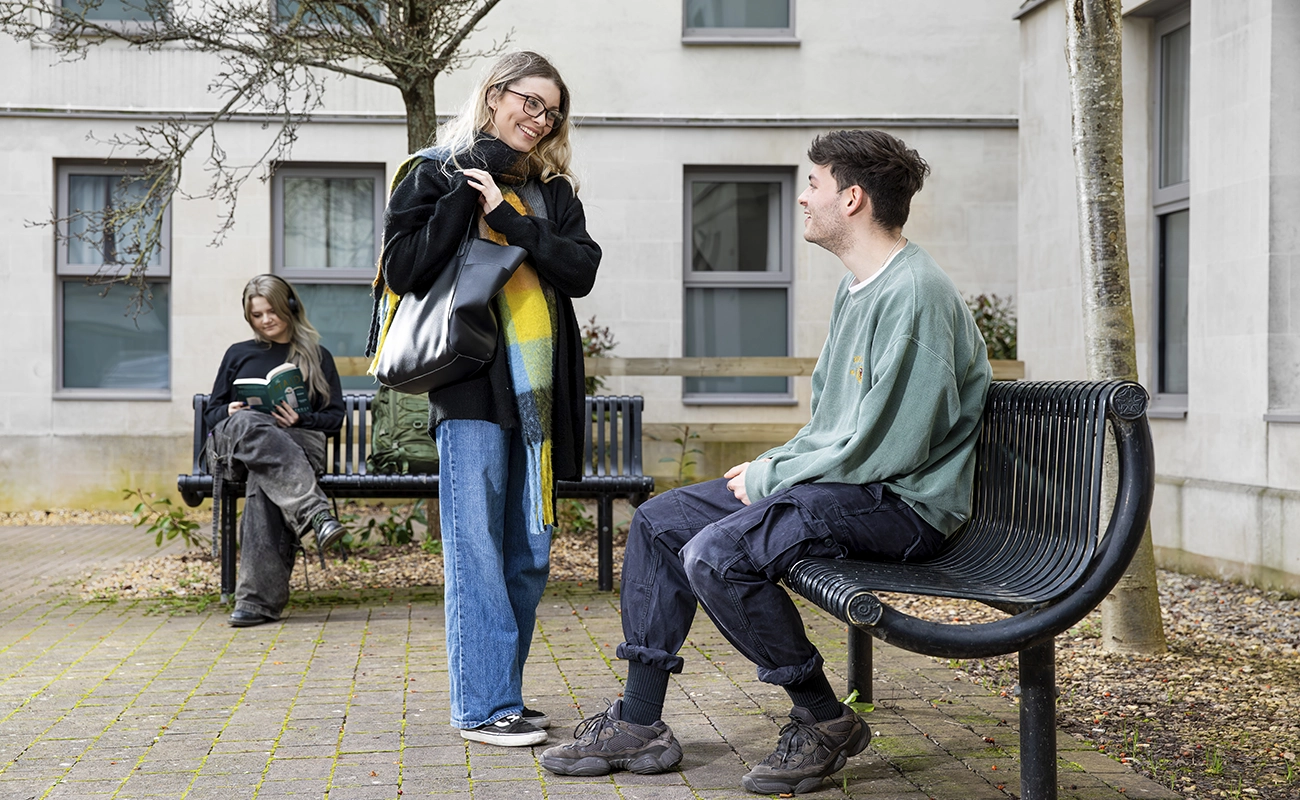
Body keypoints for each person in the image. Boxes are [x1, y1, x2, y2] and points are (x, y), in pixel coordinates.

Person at [539, 130, 993, 794]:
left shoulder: (914, 294)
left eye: (813, 184)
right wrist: (774, 462)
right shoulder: (859, 288)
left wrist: (773, 476)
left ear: (853, 198)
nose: (803, 199)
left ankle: (822, 718)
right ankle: (639, 720)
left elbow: (892, 447)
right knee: (662, 522)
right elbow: (834, 427)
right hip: (848, 487)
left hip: (903, 505)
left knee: (717, 555)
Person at [366, 51, 600, 747]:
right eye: (530, 102)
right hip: (467, 392)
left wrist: (516, 218)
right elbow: (403, 270)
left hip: (537, 401)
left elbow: (581, 270)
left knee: (528, 553)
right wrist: (466, 199)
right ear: (495, 95)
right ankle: (481, 706)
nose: (540, 118)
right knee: (475, 554)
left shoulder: (552, 192)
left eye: (552, 110)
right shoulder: (431, 171)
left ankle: (504, 695)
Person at [205, 274, 346, 628]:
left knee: (263, 478)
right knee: (248, 424)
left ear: (291, 307)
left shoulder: (316, 355)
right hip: (236, 450)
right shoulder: (238, 354)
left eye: (272, 310)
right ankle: (316, 513)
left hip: (292, 449)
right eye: (257, 314)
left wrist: (302, 417)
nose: (266, 320)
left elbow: (334, 418)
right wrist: (229, 412)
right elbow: (212, 412)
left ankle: (255, 604)